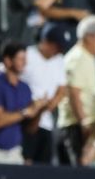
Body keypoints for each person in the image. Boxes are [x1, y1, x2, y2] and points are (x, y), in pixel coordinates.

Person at [0, 42, 45, 164]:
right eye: (20, 59)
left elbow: (30, 129)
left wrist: (40, 110)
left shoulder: (25, 88)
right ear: (8, 60)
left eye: (25, 59)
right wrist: (25, 112)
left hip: (14, 151)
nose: (24, 63)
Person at [56, 15, 95, 165]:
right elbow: (74, 93)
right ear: (89, 37)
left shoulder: (89, 57)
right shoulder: (77, 58)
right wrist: (84, 123)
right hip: (76, 128)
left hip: (88, 127)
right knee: (79, 173)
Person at [20, 25, 67, 165]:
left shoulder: (59, 60)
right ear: (46, 41)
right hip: (25, 120)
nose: (59, 51)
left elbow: (62, 88)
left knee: (43, 168)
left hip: (46, 123)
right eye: (56, 46)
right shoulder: (27, 55)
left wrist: (52, 104)